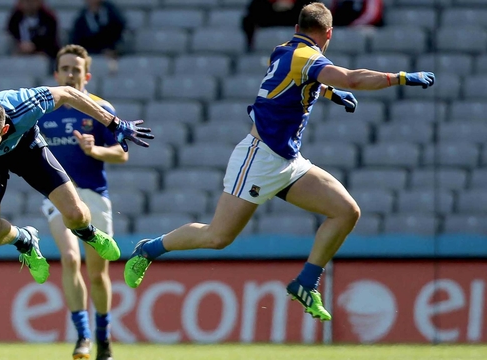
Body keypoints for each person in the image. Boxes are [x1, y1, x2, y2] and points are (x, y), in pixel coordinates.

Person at [123, 2, 434, 322]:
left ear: (297, 29)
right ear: (329, 33)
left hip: (288, 161)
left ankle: (306, 283)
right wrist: (401, 77)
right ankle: (149, 249)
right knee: (218, 237)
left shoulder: (284, 50)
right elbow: (352, 79)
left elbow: (291, 81)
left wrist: (326, 92)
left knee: (346, 212)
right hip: (259, 157)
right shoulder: (307, 57)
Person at [0, 86, 153, 285]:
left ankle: (88, 233)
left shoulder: (25, 106)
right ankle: (25, 241)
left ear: (3, 130)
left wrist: (113, 123)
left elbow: (68, 93)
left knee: (76, 214)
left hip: (25, 146)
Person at [37, 45, 123, 360]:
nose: (70, 74)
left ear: (86, 75)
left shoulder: (99, 108)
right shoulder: (43, 110)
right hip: (59, 195)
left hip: (95, 195)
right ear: (56, 74)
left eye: (76, 70)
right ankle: (82, 336)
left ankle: (104, 338)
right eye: (65, 69)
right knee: (70, 259)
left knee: (98, 272)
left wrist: (95, 151)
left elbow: (122, 153)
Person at [242, 0, 313, 52]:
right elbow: (251, 17)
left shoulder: (308, 4)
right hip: (268, 15)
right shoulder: (258, 4)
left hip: (297, 16)